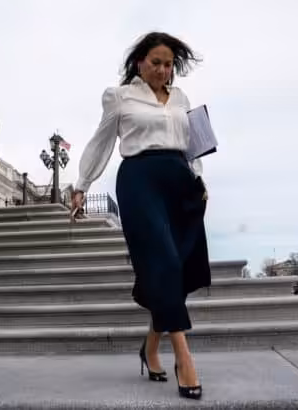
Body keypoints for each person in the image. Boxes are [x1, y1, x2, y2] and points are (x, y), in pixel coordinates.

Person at [71, 32, 211, 400]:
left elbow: (193, 146)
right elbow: (101, 141)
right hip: (139, 180)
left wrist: (199, 180)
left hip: (181, 182)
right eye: (156, 63)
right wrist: (82, 184)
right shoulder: (119, 97)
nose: (163, 70)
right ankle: (184, 357)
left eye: (168, 64)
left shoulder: (181, 98)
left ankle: (150, 348)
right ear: (140, 63)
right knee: (161, 261)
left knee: (176, 270)